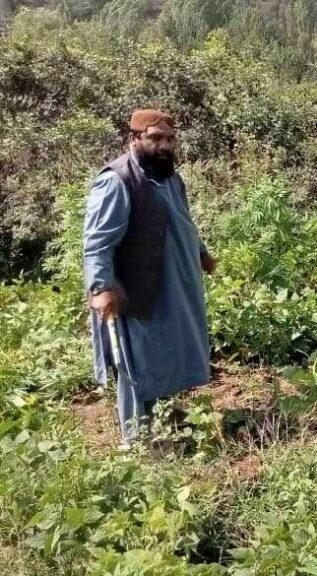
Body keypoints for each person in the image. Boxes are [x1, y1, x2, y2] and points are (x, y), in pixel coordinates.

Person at [84, 109, 215, 447]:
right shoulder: (117, 180)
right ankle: (138, 440)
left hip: (176, 281)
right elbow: (97, 241)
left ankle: (167, 421)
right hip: (138, 286)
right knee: (137, 361)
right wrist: (101, 287)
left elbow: (182, 218)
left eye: (169, 139)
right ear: (134, 139)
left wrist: (200, 251)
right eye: (155, 138)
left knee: (169, 349)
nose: (164, 145)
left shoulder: (170, 177)